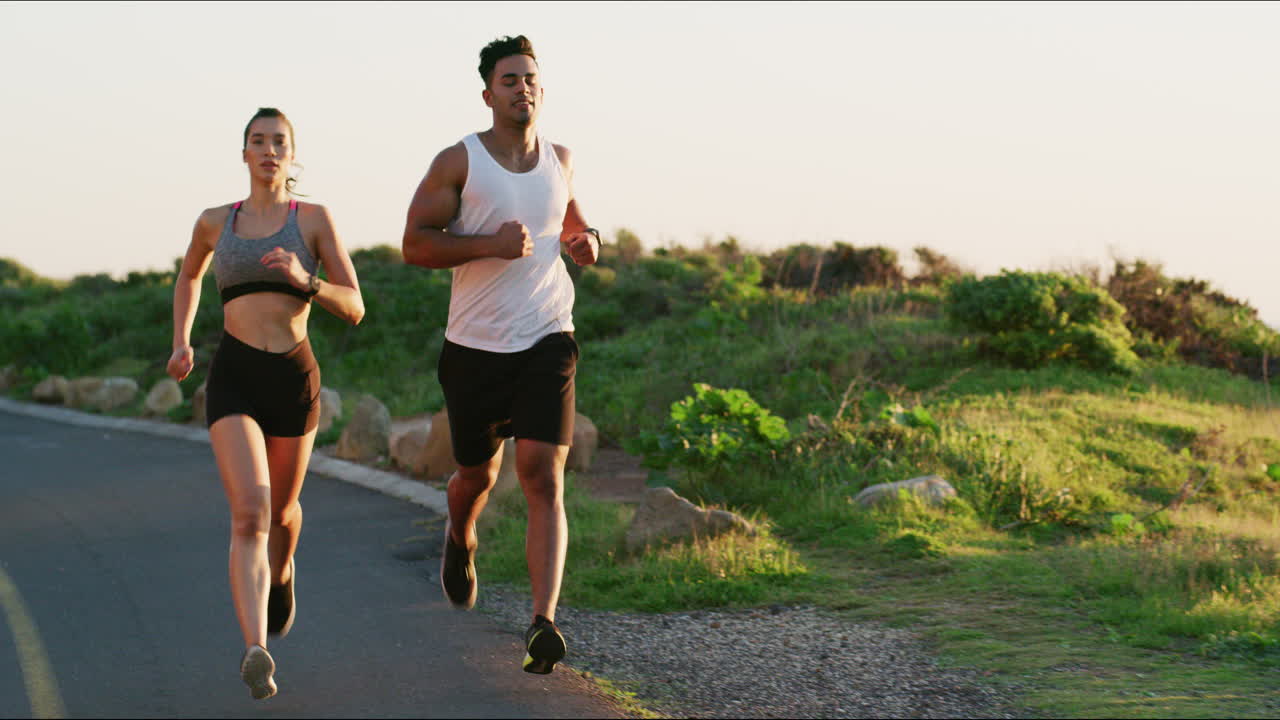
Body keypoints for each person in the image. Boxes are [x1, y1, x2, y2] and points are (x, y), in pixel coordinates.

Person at [401, 35, 600, 675]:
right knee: (476, 478)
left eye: (532, 79)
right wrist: (488, 243)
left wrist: (585, 239)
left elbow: (570, 222)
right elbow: (415, 245)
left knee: (542, 474)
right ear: (489, 94)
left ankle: (544, 623)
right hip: (476, 348)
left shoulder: (561, 159)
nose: (524, 89)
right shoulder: (458, 163)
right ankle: (460, 536)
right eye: (511, 80)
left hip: (549, 334)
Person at [167, 107, 365, 700]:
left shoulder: (313, 220)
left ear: (292, 154)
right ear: (245, 153)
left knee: (282, 513)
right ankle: (257, 648)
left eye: (279, 142)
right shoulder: (213, 222)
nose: (269, 150)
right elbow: (188, 277)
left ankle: (282, 575)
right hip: (235, 376)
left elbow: (354, 306)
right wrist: (181, 339)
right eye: (259, 141)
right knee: (250, 510)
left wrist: (307, 280)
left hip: (293, 377)